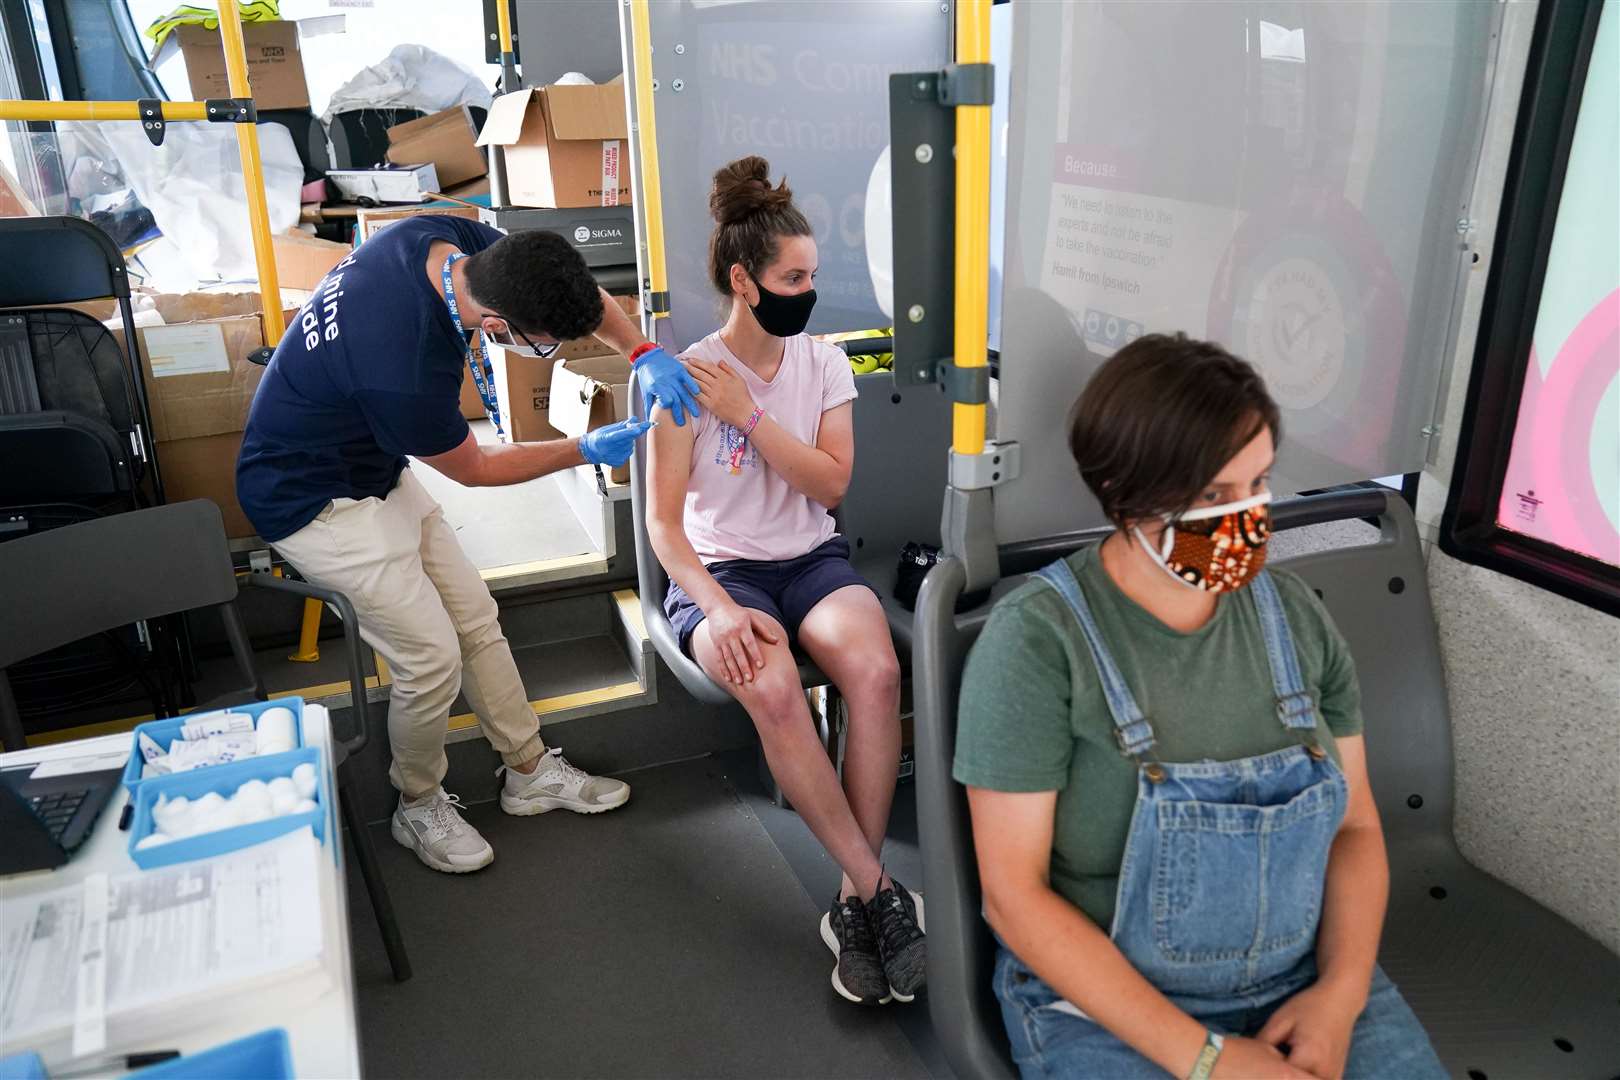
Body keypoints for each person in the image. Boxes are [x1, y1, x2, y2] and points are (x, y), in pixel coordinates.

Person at [955, 335, 1445, 1078]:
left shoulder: (1296, 620)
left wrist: (1341, 995)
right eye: (1214, 497)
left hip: (1304, 979)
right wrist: (1210, 1060)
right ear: (1124, 494)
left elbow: (1355, 828)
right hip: (1103, 1007)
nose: (1247, 519)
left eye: (1258, 484)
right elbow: (1014, 898)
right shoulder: (1036, 645)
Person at [237, 215, 701, 875]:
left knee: (477, 620)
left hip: (371, 465)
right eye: (543, 346)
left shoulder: (454, 245)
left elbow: (573, 292)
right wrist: (584, 447)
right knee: (429, 658)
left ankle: (529, 771)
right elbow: (476, 469)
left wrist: (644, 353)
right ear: (497, 329)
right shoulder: (403, 359)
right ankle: (416, 803)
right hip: (306, 499)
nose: (548, 352)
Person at [645, 157, 925, 1006]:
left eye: (812, 275)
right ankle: (880, 895)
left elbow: (831, 487)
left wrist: (751, 416)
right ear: (744, 280)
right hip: (721, 570)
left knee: (876, 672)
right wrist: (721, 613)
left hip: (810, 557)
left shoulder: (824, 366)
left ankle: (852, 895)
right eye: (792, 277)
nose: (808, 291)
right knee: (771, 690)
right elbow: (664, 526)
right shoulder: (684, 380)